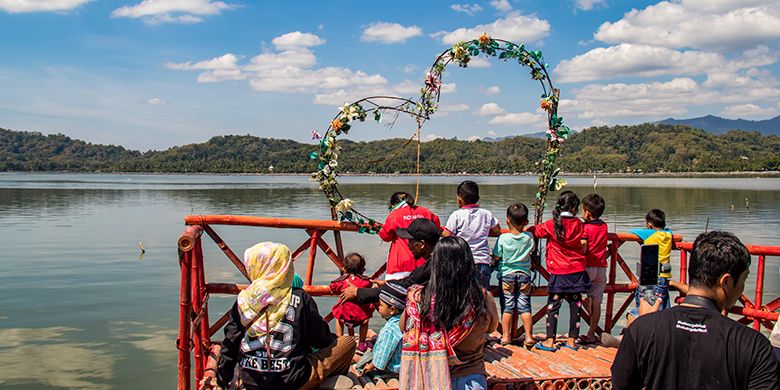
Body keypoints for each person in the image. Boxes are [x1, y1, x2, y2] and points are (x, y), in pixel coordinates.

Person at [611, 231, 780, 389]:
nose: (742, 288)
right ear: (726, 282)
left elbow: (621, 384)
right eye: (743, 280)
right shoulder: (753, 344)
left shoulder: (642, 329)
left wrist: (645, 324)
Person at [200, 242, 356, 390]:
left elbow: (230, 344)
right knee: (347, 342)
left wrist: (221, 380)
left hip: (252, 381)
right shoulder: (299, 297)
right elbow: (321, 339)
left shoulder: (244, 300)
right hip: (293, 381)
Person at [400, 236, 499, 390]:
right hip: (472, 378)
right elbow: (492, 327)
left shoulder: (418, 299)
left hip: (430, 379)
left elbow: (404, 328)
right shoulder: (483, 298)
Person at [527, 191, 589, 351]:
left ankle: (550, 340)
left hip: (558, 271)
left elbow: (535, 231)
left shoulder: (551, 224)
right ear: (575, 208)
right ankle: (572, 340)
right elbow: (585, 241)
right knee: (576, 304)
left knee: (553, 305)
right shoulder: (579, 224)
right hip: (577, 271)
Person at [340, 218, 440, 305]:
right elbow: (408, 282)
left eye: (410, 241)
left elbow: (401, 289)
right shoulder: (438, 259)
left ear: (421, 244)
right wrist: (387, 283)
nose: (408, 246)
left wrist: (358, 292)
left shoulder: (434, 266)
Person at [491, 202, 535, 347]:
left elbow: (497, 256)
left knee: (508, 307)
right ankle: (529, 336)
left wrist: (494, 262)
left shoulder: (503, 238)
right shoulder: (529, 237)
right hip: (524, 275)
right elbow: (532, 251)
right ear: (526, 222)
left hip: (507, 275)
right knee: (525, 307)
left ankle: (505, 336)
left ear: (507, 220)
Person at [443, 180, 501, 288]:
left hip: (461, 262)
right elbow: (497, 230)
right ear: (477, 198)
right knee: (482, 297)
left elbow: (447, 235)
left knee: (462, 296)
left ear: (459, 199)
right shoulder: (486, 214)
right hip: (483, 262)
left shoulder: (456, 215)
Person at [378, 192, 441, 281]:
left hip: (400, 266)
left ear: (395, 203)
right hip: (425, 265)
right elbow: (436, 228)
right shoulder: (425, 211)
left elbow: (385, 236)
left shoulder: (395, 215)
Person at [627, 209, 674, 324]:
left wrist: (645, 231)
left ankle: (631, 333)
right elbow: (669, 230)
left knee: (643, 308)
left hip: (649, 277)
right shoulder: (668, 234)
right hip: (663, 277)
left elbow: (632, 231)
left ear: (649, 225)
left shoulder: (649, 233)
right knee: (661, 309)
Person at [356, 283, 406, 380]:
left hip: (391, 370)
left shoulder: (389, 330)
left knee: (362, 366)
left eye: (381, 305)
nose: (378, 307)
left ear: (392, 309)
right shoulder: (403, 323)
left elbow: (383, 354)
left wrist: (370, 366)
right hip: (403, 365)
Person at [329, 252, 374, 353]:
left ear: (344, 269)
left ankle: (340, 340)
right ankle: (362, 343)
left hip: (345, 313)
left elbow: (333, 287)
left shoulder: (342, 281)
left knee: (338, 318)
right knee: (365, 321)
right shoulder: (365, 281)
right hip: (361, 313)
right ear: (363, 269)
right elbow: (369, 285)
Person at [580, 193, 608, 343]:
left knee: (580, 296)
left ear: (587, 213)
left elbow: (583, 246)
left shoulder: (585, 228)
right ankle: (592, 333)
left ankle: (576, 331)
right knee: (597, 301)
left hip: (587, 267)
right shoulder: (604, 226)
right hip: (601, 267)